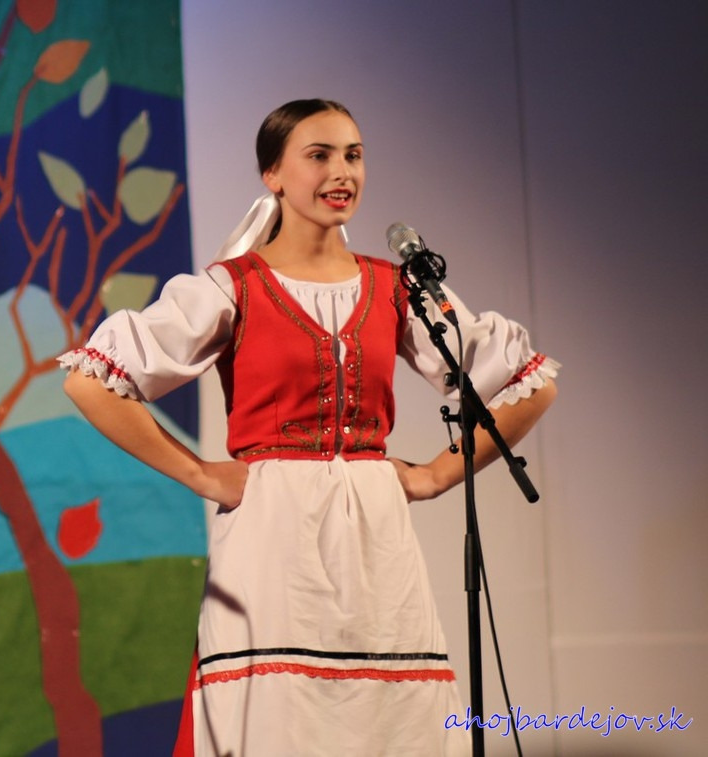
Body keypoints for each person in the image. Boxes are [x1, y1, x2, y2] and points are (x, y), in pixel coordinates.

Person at [59, 99, 558, 755]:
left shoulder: (395, 288)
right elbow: (92, 379)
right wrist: (200, 473)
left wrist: (438, 474)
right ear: (273, 174)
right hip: (272, 538)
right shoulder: (232, 287)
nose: (341, 171)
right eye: (318, 155)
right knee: (277, 723)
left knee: (388, 725)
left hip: (375, 540)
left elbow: (529, 382)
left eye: (353, 155)